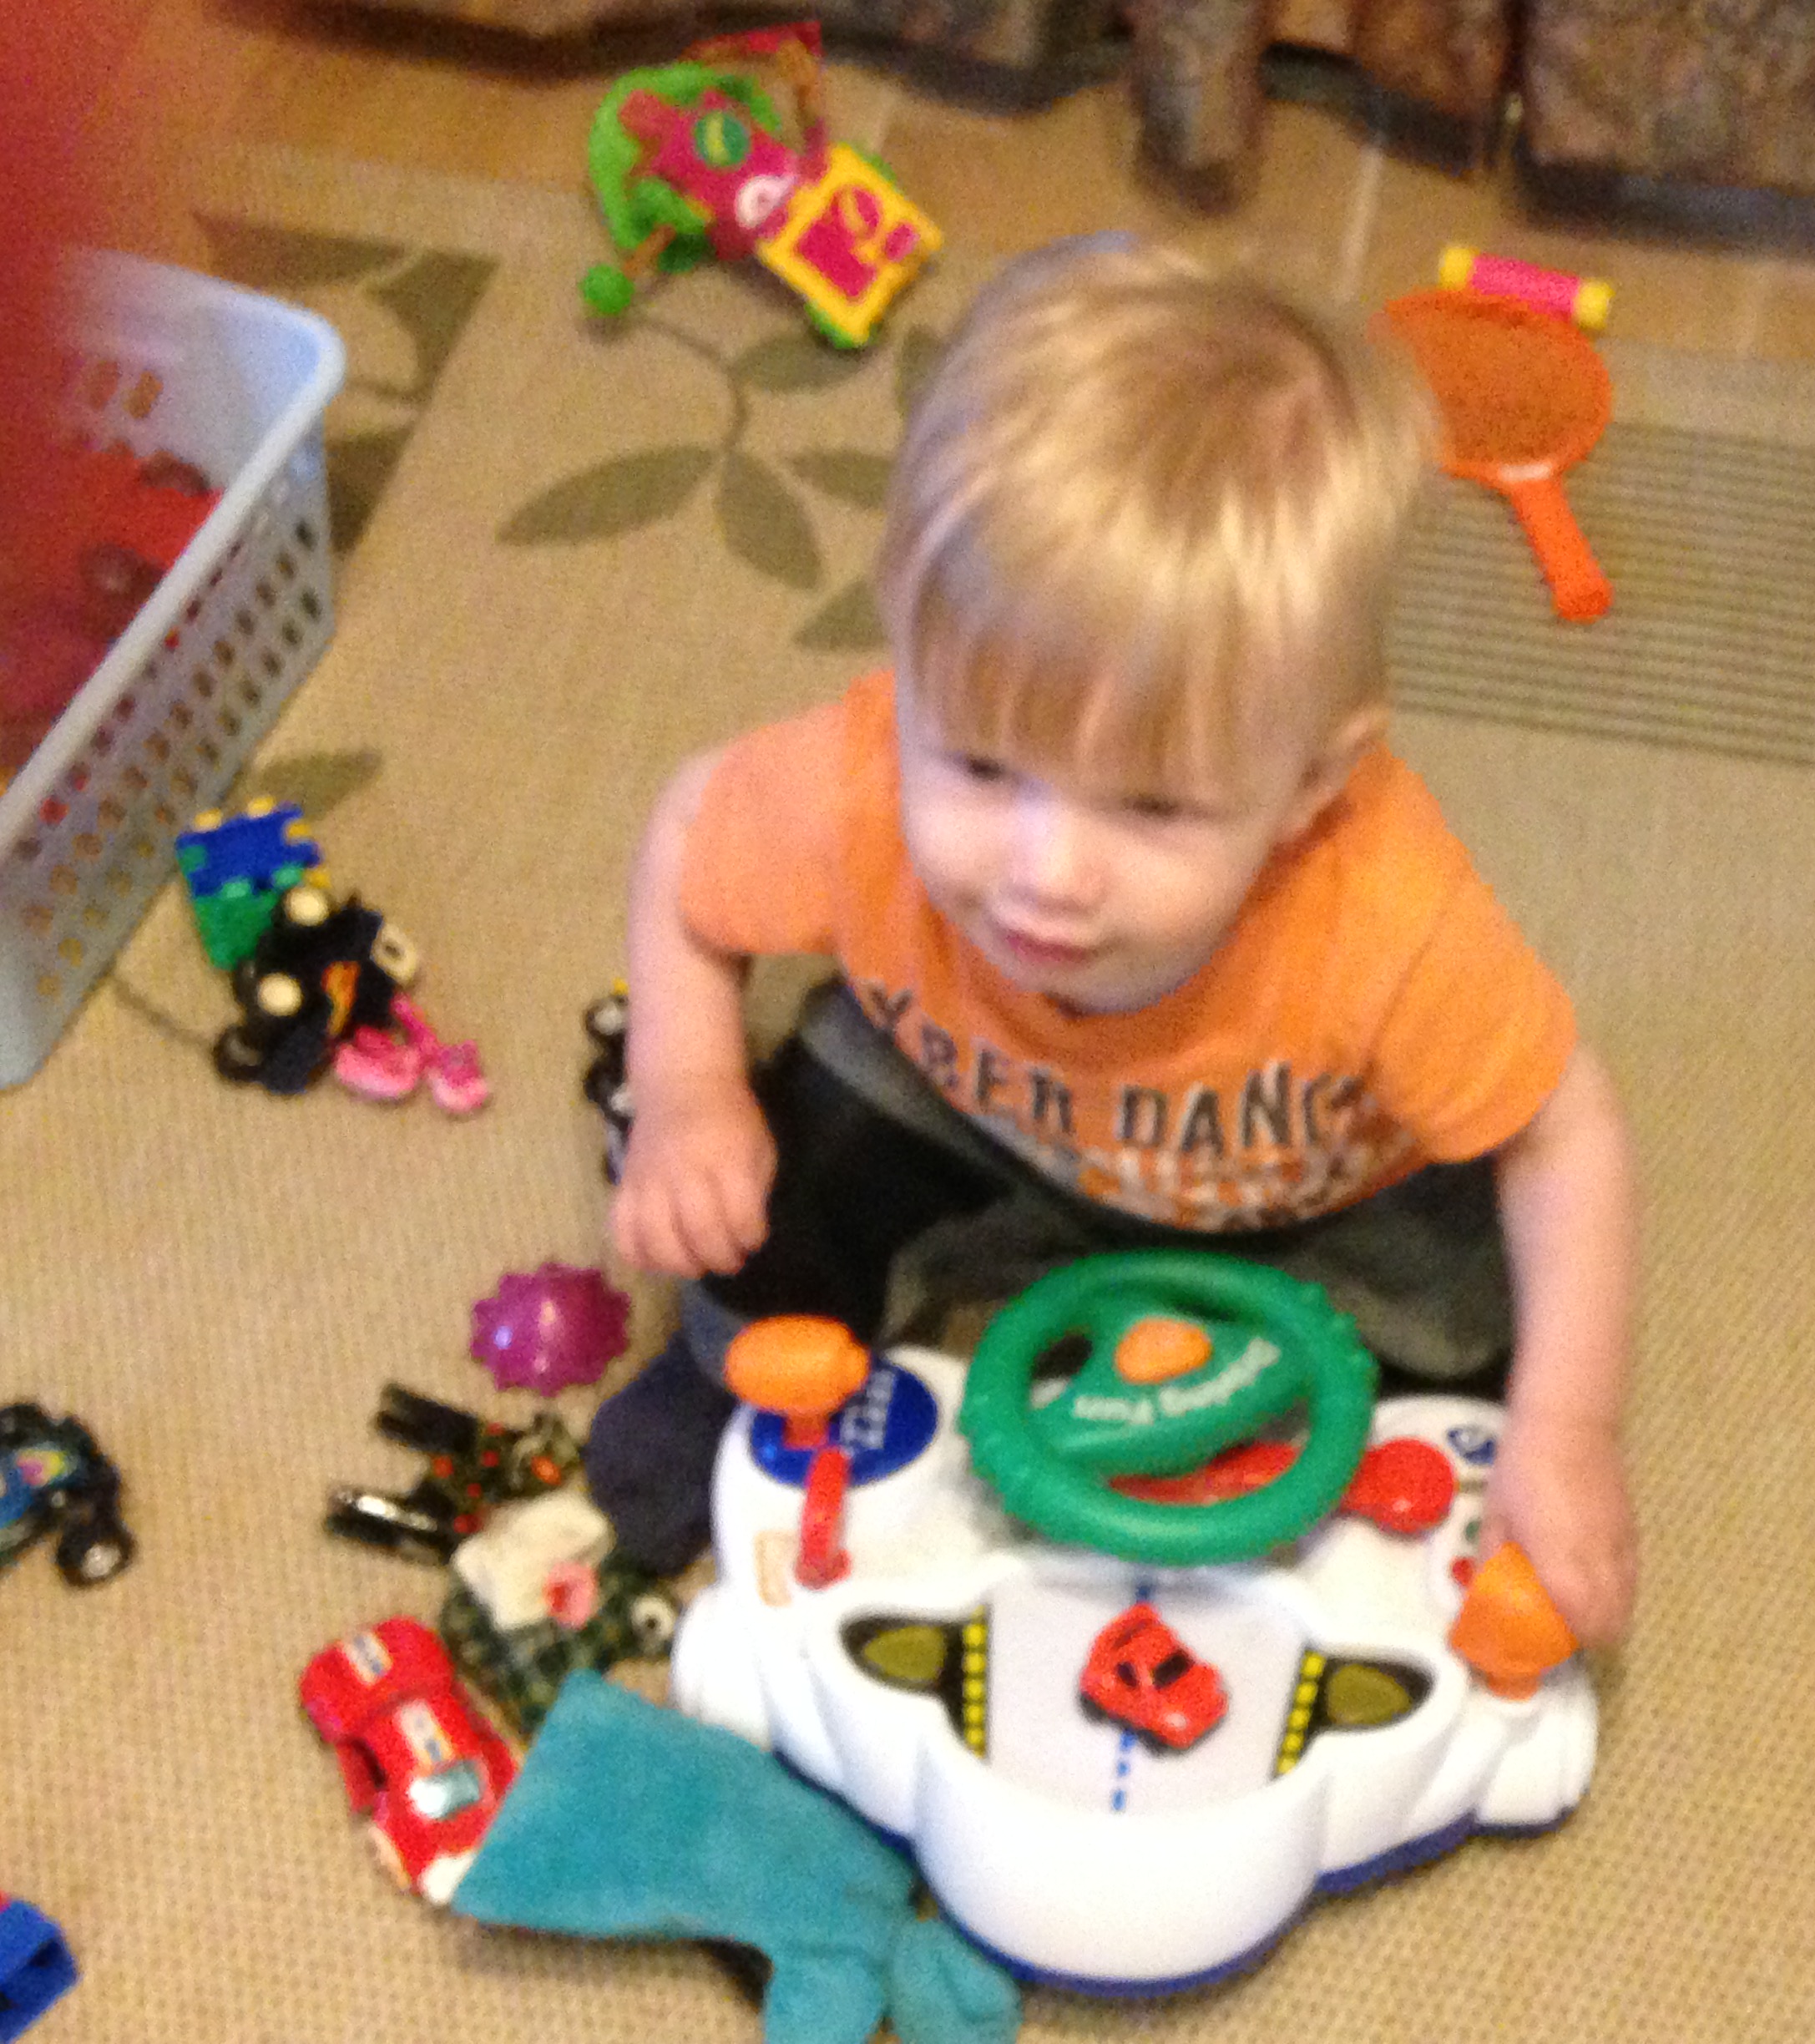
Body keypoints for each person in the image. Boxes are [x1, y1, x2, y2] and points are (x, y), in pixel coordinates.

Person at [589, 236, 1638, 1646]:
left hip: (1300, 1189)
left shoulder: (1385, 915)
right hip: (968, 1104)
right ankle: (744, 1375)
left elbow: (1564, 1130)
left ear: (1313, 787)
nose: (1046, 877)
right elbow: (688, 835)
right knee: (775, 1174)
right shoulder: (855, 791)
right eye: (978, 765)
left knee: (1473, 1321)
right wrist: (683, 1088)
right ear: (905, 660)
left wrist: (1568, 1431)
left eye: (1151, 807)